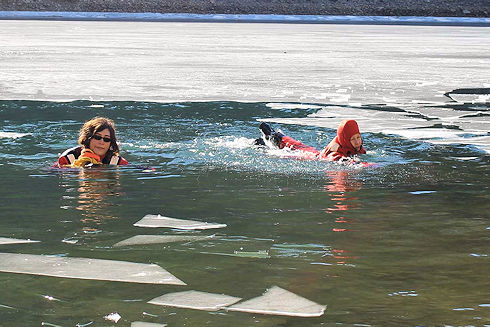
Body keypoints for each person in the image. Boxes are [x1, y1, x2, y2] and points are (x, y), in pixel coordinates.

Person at [255, 119, 366, 163]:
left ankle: (274, 138)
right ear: (345, 140)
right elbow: (338, 160)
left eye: (358, 137)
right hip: (311, 156)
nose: (357, 142)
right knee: (292, 147)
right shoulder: (334, 151)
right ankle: (273, 136)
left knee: (297, 146)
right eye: (352, 139)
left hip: (314, 152)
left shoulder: (354, 147)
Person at [54, 116, 128, 168]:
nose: (101, 142)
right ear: (88, 138)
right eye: (97, 137)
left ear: (110, 143)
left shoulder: (117, 162)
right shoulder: (69, 158)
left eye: (106, 139)